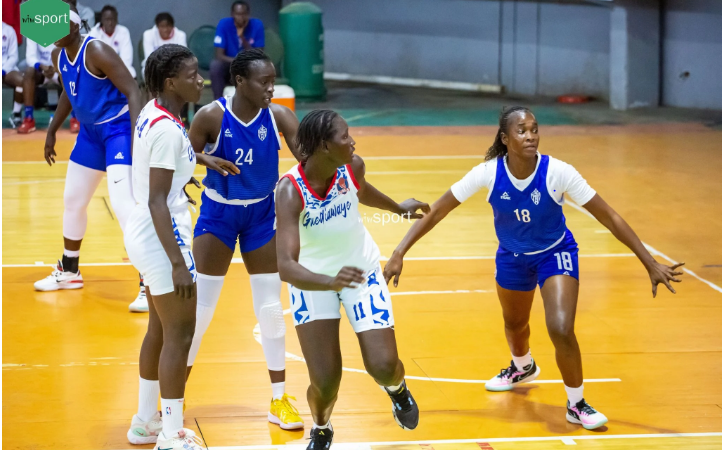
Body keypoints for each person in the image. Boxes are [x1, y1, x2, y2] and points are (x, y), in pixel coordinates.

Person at [383, 106, 685, 431]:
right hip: (512, 257)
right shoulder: (488, 173)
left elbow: (608, 215)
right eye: (522, 130)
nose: (531, 136)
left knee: (560, 327)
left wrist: (649, 261)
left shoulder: (558, 172)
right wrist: (400, 251)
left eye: (535, 129)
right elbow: (438, 210)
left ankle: (576, 403)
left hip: (555, 253)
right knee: (515, 325)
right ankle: (522, 366)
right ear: (505, 138)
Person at [275, 109, 430, 449]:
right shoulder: (290, 191)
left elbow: (360, 190)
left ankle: (398, 390)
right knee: (326, 381)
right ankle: (322, 426)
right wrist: (329, 282)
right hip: (312, 281)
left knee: (384, 365)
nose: (352, 140)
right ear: (323, 147)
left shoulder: (352, 167)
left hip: (360, 269)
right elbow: (286, 266)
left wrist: (396, 208)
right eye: (344, 136)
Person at [125, 43, 238, 450]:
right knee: (180, 334)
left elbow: (167, 161)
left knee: (160, 329)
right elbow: (159, 200)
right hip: (162, 237)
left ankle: (144, 422)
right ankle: (172, 435)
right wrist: (177, 262)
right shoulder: (168, 129)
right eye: (193, 75)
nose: (201, 80)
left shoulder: (154, 114)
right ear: (171, 81)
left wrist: (205, 161)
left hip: (143, 232)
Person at [186, 48, 303, 430]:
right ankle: (172, 396)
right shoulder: (211, 116)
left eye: (273, 80)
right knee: (200, 312)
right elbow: (183, 154)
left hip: (261, 215)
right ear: (240, 81)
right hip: (218, 214)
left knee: (270, 308)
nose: (272, 87)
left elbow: (308, 161)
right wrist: (206, 161)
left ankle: (279, 399)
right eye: (264, 81)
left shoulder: (280, 116)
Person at [33, 5, 146, 315]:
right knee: (73, 199)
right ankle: (70, 270)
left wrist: (137, 138)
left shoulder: (95, 49)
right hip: (90, 134)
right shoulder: (58, 55)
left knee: (125, 206)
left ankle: (149, 282)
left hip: (118, 129)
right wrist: (52, 130)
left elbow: (134, 91)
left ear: (73, 28)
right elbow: (71, 91)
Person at [210, 0, 264, 99]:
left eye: (244, 14)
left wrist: (242, 37)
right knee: (216, 65)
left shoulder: (257, 25)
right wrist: (238, 62)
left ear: (248, 14)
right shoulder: (224, 24)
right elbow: (219, 55)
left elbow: (259, 55)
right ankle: (218, 103)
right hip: (230, 66)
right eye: (238, 14)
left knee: (260, 65)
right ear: (232, 14)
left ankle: (256, 103)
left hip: (250, 66)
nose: (241, 18)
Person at [89, 5, 136, 78]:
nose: (110, 23)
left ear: (117, 19)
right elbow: (93, 59)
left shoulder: (123, 31)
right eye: (107, 20)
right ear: (102, 20)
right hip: (101, 72)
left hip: (121, 71)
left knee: (131, 73)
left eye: (113, 19)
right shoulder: (93, 33)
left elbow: (127, 60)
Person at [142, 13, 187, 77]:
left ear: (172, 26)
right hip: (155, 69)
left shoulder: (180, 35)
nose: (165, 29)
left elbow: (182, 58)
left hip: (174, 69)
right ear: (157, 26)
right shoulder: (148, 34)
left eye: (168, 26)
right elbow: (149, 58)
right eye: (162, 26)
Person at [2, 20, 24, 128]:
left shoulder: (8, 30)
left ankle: (16, 114)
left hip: (6, 69)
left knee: (21, 81)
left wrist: (3, 70)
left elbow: (14, 56)